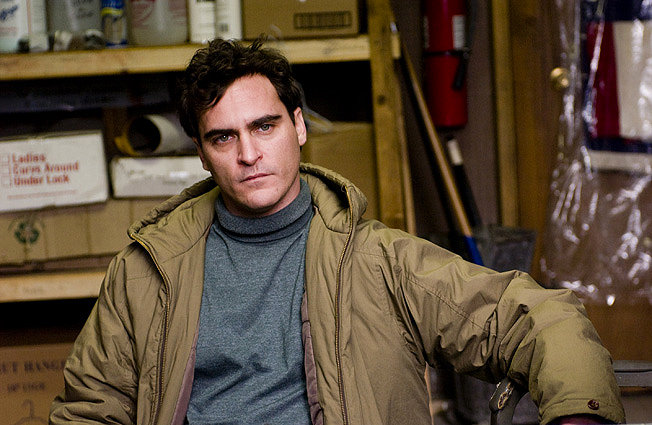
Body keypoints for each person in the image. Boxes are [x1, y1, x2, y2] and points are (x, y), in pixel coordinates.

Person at [50, 38, 625, 425]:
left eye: (265, 126)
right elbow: (89, 408)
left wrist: (580, 413)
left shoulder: (377, 262)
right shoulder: (149, 269)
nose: (248, 153)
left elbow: (534, 318)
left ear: (298, 127)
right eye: (224, 137)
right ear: (202, 154)